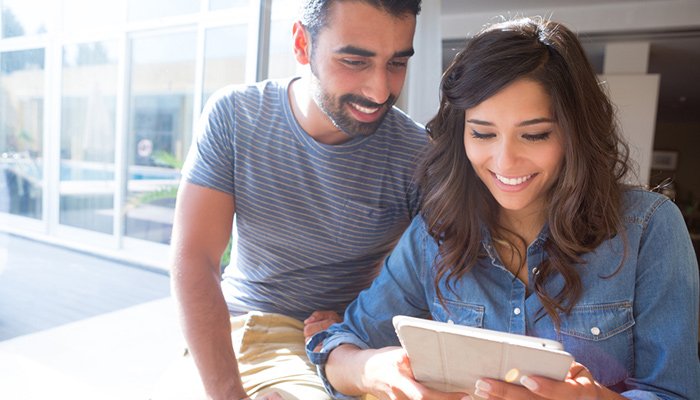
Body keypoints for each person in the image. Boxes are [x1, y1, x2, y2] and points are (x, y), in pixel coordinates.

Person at [307, 16, 700, 400]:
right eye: (482, 132)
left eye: (534, 134)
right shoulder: (437, 230)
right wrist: (372, 370)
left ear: (574, 133)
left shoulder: (648, 228)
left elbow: (673, 391)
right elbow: (341, 342)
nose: (505, 161)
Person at [155, 1, 426, 399]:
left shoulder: (417, 154)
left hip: (348, 341)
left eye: (397, 63)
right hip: (251, 328)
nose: (380, 90)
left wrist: (364, 321)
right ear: (302, 44)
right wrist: (230, 394)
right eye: (354, 61)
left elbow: (435, 274)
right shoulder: (235, 116)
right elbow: (194, 259)